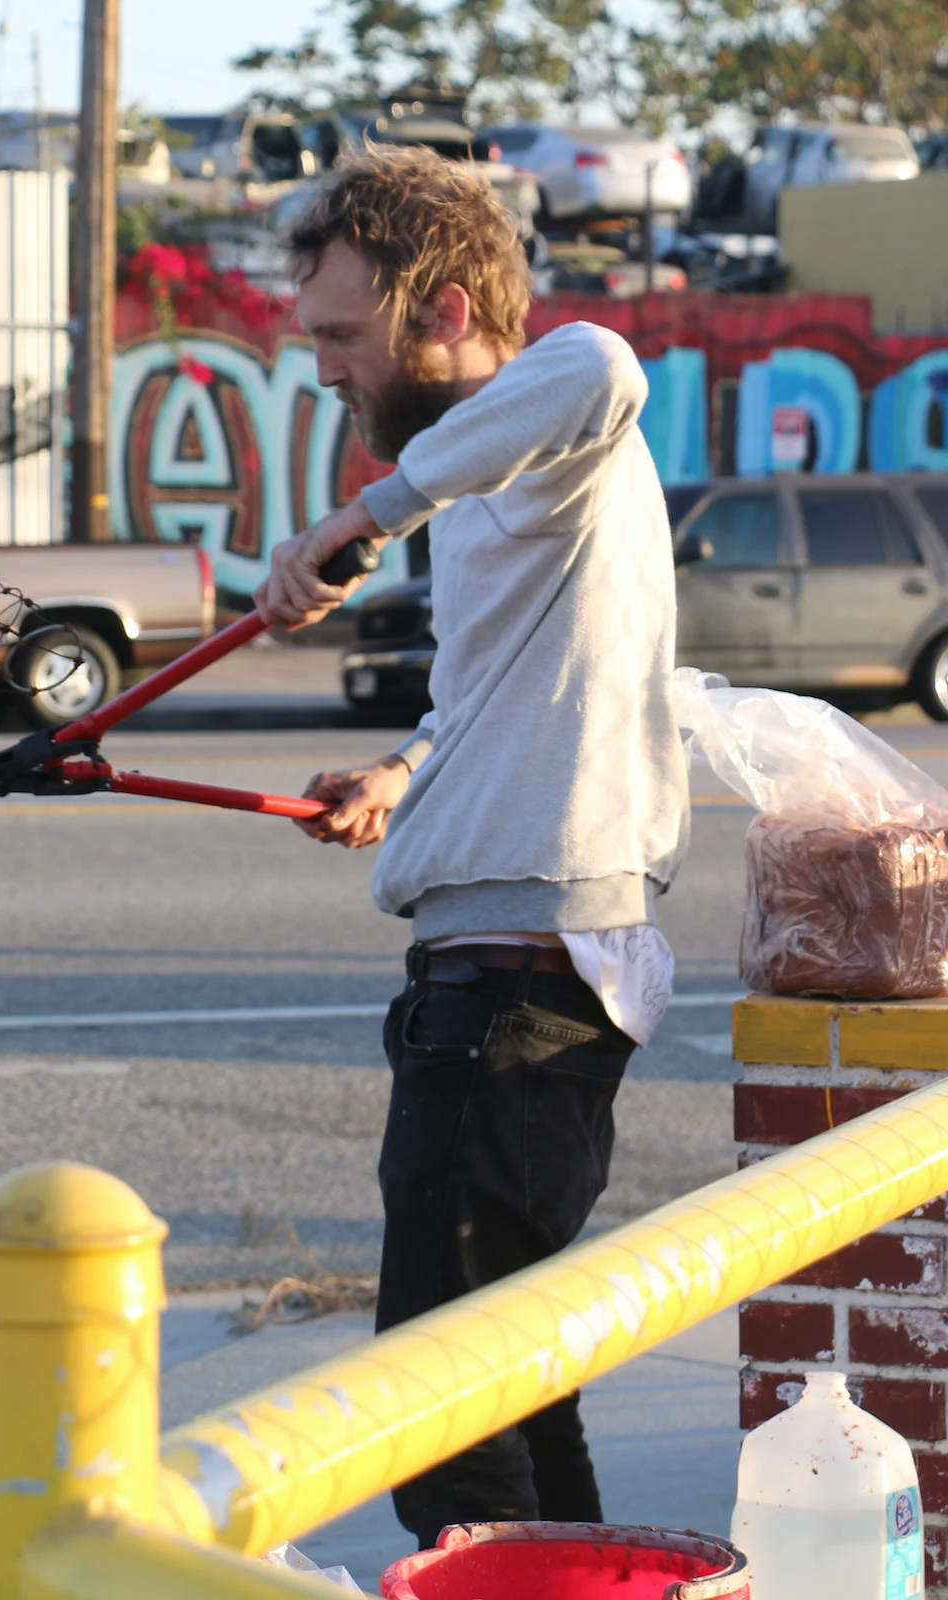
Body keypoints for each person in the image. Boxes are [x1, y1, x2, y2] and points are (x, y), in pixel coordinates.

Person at [255, 145, 688, 1543]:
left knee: (438, 1421)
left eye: (341, 335)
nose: (324, 372)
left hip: (517, 986)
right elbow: (487, 697)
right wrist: (404, 773)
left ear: (444, 306)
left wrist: (361, 511)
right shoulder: (501, 481)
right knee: (509, 1381)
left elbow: (607, 365)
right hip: (508, 973)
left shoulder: (556, 422)